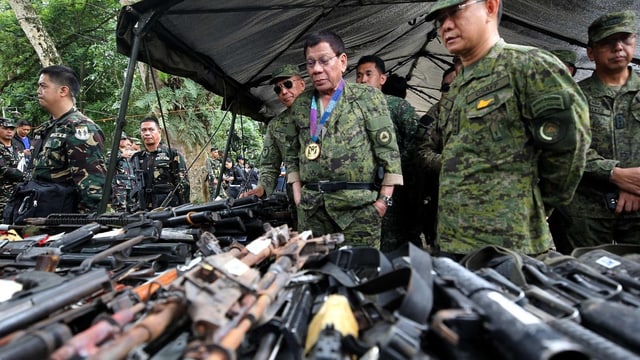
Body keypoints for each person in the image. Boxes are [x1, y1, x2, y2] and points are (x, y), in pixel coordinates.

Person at [422, 0, 590, 258]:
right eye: (440, 19)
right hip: (453, 240)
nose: (446, 25)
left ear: (490, 6)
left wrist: (534, 205)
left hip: (510, 242)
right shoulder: (457, 88)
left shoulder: (529, 65)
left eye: (455, 12)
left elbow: (569, 147)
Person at [286, 30, 403, 248]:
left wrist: (383, 201)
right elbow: (292, 151)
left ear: (342, 61)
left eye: (324, 61)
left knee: (361, 275)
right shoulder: (301, 105)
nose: (317, 69)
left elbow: (388, 151)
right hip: (313, 211)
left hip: (358, 209)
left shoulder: (367, 97)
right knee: (315, 275)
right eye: (310, 63)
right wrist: (297, 192)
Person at [563, 10, 640, 249]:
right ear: (590, 51)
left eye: (625, 39)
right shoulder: (573, 97)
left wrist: (636, 184)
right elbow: (566, 149)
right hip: (587, 211)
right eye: (607, 42)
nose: (618, 48)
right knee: (586, 275)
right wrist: (615, 174)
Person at [356, 55, 419, 251]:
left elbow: (417, 143)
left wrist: (401, 171)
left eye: (369, 74)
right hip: (361, 191)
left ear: (382, 79)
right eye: (359, 76)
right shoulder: (350, 111)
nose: (363, 80)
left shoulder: (397, 106)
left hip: (396, 192)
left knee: (394, 243)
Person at [31, 65, 107, 213]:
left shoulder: (81, 128)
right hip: (41, 213)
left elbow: (93, 187)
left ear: (63, 90)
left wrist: (89, 226)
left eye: (43, 86)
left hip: (64, 221)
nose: (38, 91)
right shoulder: (46, 128)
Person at [242, 64, 306, 199]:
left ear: (302, 84)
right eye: (278, 89)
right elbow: (269, 166)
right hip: (298, 202)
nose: (283, 92)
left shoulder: (324, 112)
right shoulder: (275, 126)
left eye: (288, 84)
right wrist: (262, 188)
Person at [130, 115, 190, 210]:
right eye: (143, 130)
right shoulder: (137, 158)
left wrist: (184, 208)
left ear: (159, 131)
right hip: (144, 208)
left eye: (151, 129)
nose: (147, 133)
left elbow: (183, 184)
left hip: (167, 207)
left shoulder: (172, 154)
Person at [0, 118, 25, 215]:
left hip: (18, 192)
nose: (9, 131)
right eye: (5, 128)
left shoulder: (17, 147)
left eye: (11, 129)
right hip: (3, 194)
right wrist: (24, 175)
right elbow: (3, 169)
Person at [111, 134, 136, 212]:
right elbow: (108, 163)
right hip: (120, 186)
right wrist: (121, 156)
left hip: (131, 184)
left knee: (133, 208)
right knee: (120, 208)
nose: (123, 141)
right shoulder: (113, 152)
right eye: (121, 139)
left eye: (124, 139)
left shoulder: (130, 153)